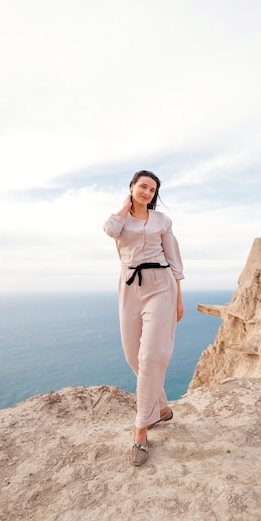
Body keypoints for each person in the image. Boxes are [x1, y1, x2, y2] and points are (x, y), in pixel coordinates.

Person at [103, 170, 184, 466]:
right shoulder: (120, 220)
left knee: (151, 356)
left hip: (161, 286)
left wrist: (178, 295)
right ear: (132, 188)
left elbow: (173, 256)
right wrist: (125, 206)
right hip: (130, 288)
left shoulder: (162, 220)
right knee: (132, 356)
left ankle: (141, 429)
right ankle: (161, 407)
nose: (147, 192)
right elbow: (109, 229)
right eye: (143, 187)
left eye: (152, 189)